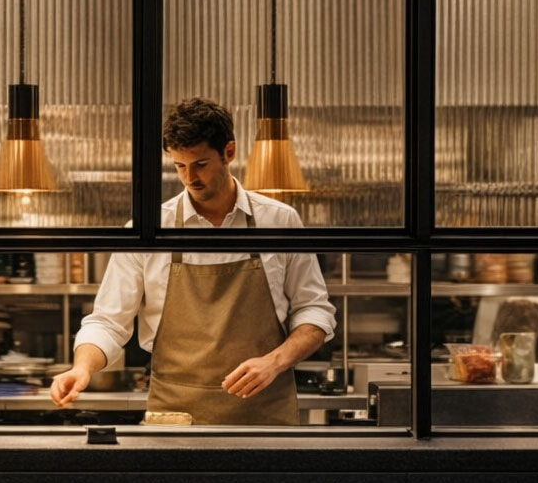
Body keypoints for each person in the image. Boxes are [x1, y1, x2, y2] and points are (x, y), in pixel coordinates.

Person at [49, 97, 336, 426]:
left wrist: (275, 362)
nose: (189, 178)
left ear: (229, 152)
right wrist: (81, 367)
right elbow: (108, 323)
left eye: (200, 164)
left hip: (264, 414)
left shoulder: (280, 221)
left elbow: (315, 311)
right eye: (179, 166)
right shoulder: (151, 228)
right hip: (174, 419)